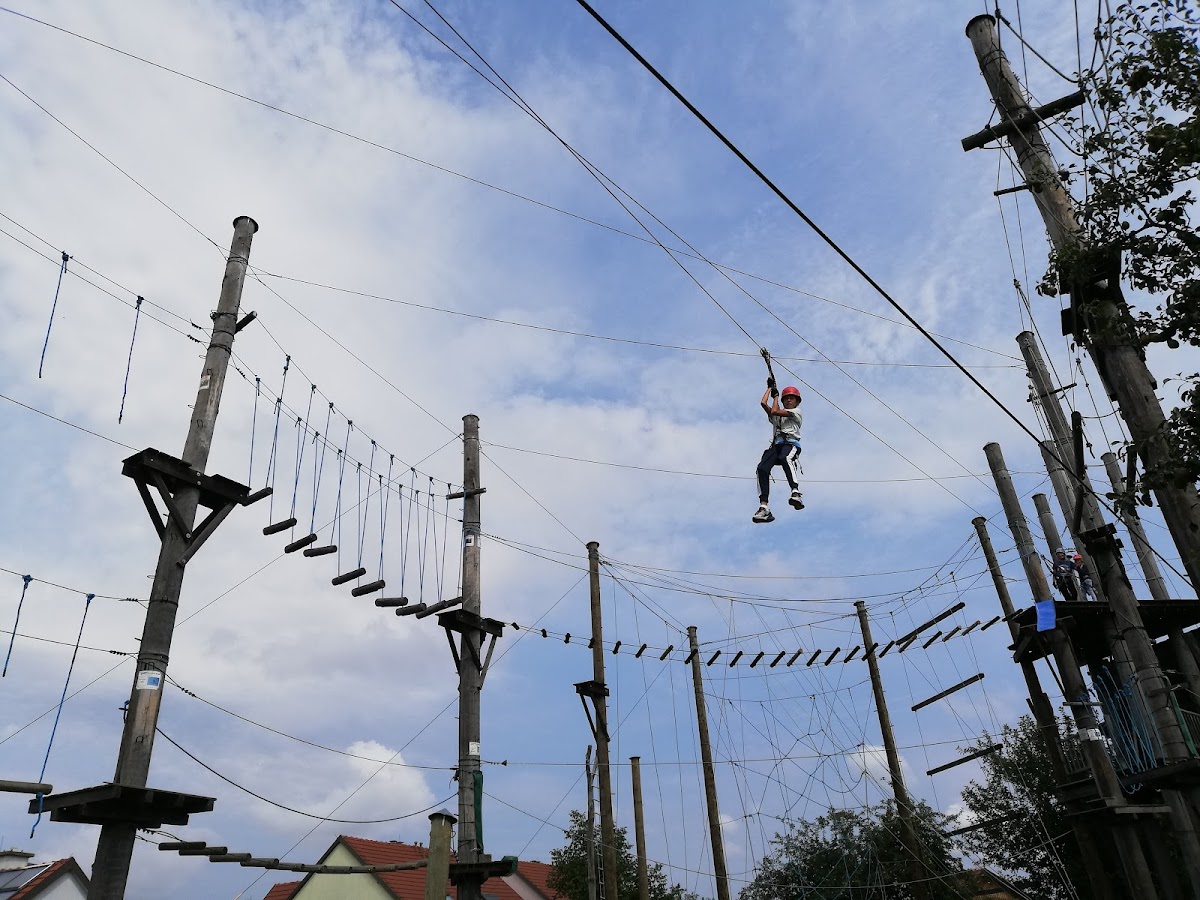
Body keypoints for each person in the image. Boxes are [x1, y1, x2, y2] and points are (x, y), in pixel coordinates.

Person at [752, 379, 804, 523]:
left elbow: (774, 410)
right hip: (776, 446)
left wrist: (775, 397)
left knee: (785, 458)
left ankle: (796, 492)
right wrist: (770, 389)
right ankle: (764, 507)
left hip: (790, 444)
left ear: (797, 402)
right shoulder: (777, 416)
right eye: (786, 398)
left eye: (791, 398)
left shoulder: (796, 412)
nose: (788, 400)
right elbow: (763, 404)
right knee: (761, 468)